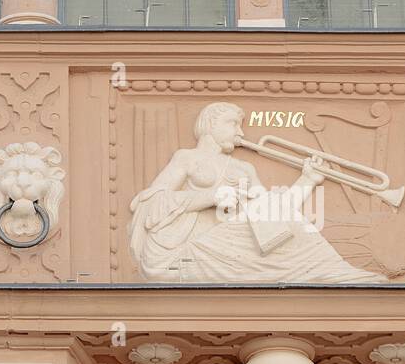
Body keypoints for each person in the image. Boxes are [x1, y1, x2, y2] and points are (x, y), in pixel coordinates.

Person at [128, 102, 384, 283]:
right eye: (233, 124)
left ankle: (333, 271)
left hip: (234, 242)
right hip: (195, 248)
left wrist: (307, 180)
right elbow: (152, 201)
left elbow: (277, 213)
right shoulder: (187, 158)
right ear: (211, 124)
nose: (241, 132)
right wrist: (212, 196)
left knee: (281, 216)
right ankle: (333, 273)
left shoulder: (244, 167)